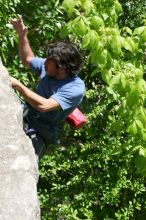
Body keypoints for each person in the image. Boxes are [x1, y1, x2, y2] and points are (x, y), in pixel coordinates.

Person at [10, 15, 85, 160]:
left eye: (48, 63)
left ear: (61, 68)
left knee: (24, 165)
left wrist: (19, 86)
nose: (44, 64)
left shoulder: (75, 88)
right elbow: (27, 60)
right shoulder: (49, 66)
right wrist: (22, 35)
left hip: (40, 131)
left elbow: (44, 106)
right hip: (25, 113)